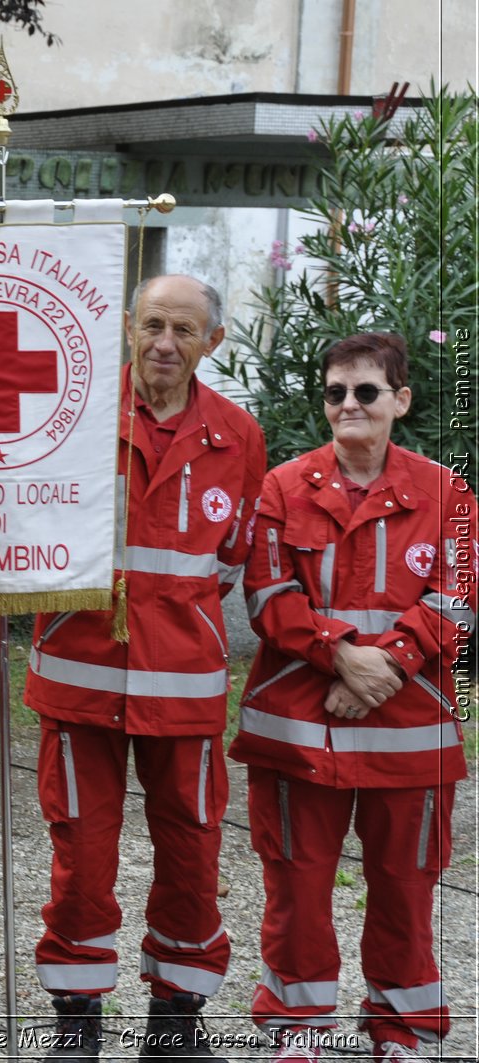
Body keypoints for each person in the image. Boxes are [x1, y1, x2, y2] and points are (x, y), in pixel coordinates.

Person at [22, 274, 267, 1061]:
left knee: (193, 853)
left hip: (184, 685)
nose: (165, 342)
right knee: (82, 854)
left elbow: (227, 564)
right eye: (153, 324)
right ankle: (78, 1017)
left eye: (183, 330)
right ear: (129, 327)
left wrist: (173, 618)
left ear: (213, 344)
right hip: (79, 669)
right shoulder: (77, 414)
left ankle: (175, 1020)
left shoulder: (239, 435)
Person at [229, 333, 471, 1063]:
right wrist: (340, 655)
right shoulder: (282, 486)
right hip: (301, 727)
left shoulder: (447, 493)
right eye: (335, 391)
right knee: (296, 884)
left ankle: (401, 1031)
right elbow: (269, 595)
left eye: (365, 391)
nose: (348, 404)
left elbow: (456, 599)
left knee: (404, 885)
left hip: (407, 726)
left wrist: (383, 668)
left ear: (400, 400)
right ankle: (297, 1028)